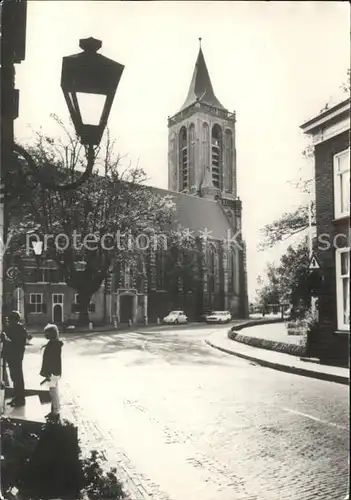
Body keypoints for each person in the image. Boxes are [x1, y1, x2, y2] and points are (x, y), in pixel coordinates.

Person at [0, 311, 27, 407]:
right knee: (14, 377)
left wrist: (5, 339)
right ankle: (17, 397)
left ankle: (20, 399)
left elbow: (16, 344)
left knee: (17, 378)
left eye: (10, 320)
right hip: (12, 357)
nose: (8, 322)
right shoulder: (13, 328)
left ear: (14, 320)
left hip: (16, 357)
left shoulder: (19, 329)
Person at [40, 323, 63, 418]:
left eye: (46, 333)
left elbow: (53, 361)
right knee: (52, 391)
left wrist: (49, 374)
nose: (45, 335)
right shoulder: (53, 344)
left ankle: (55, 412)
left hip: (53, 373)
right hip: (53, 372)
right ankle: (54, 410)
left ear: (51, 334)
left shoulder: (54, 345)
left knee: (53, 392)